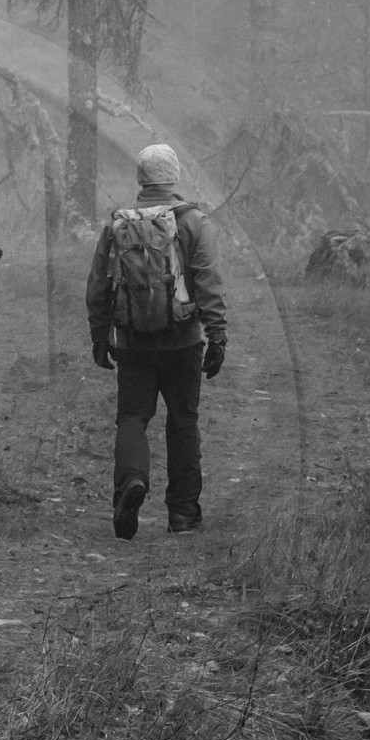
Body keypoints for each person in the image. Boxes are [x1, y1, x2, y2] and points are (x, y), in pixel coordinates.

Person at [86, 143, 228, 539]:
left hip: (132, 343)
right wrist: (217, 335)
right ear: (175, 177)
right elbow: (208, 281)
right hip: (183, 341)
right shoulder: (195, 222)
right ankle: (182, 515)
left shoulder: (118, 224)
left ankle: (131, 482)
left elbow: (98, 286)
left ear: (141, 180)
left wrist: (100, 337)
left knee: (133, 418)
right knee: (183, 422)